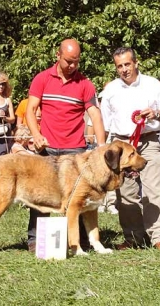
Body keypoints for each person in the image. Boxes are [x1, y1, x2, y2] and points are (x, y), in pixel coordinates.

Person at [25, 39, 106, 252]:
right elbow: (30, 110)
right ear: (58, 55)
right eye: (69, 61)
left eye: (76, 62)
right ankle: (36, 240)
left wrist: (102, 145)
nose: (72, 66)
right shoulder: (42, 79)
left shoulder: (85, 84)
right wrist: (36, 134)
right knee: (41, 194)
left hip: (75, 150)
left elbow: (95, 114)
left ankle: (78, 242)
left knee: (78, 198)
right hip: (47, 148)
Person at [100, 47, 160, 251]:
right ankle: (133, 237)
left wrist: (156, 113)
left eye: (127, 64)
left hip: (148, 142)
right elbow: (106, 124)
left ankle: (159, 237)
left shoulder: (152, 84)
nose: (124, 69)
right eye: (119, 66)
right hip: (121, 146)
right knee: (125, 194)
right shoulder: (110, 90)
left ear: (136, 63)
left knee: (154, 189)